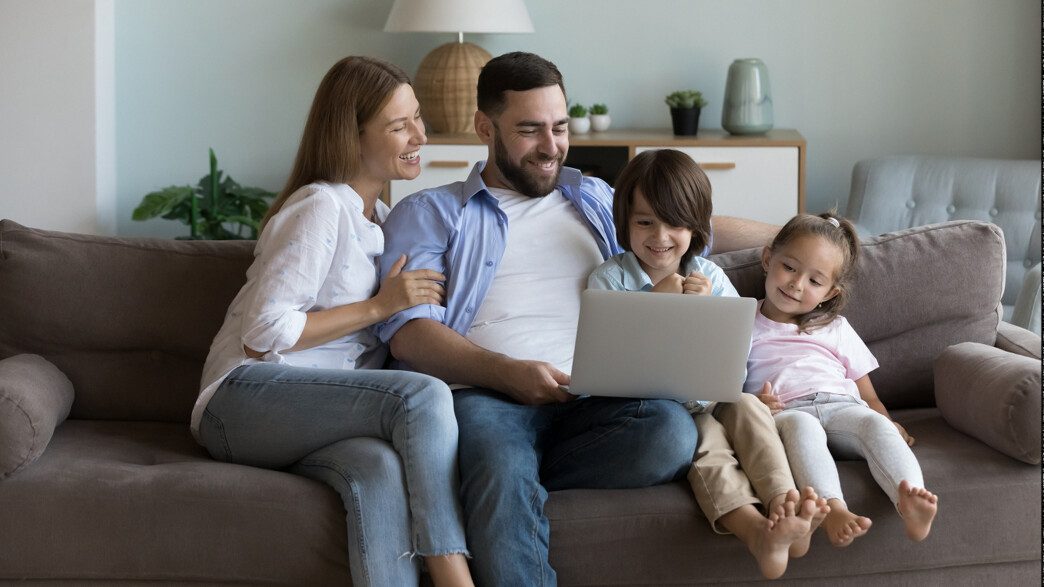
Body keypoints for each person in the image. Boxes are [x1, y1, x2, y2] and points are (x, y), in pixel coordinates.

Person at [190, 56, 474, 587]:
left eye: (419, 119)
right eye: (399, 125)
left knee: (379, 470)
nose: (420, 135)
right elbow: (262, 334)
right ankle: (455, 578)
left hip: (314, 413)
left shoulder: (385, 224)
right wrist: (377, 307)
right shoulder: (321, 206)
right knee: (423, 395)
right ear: (353, 135)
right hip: (242, 399)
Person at [587, 149, 828, 579]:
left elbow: (736, 350)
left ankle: (785, 507)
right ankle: (757, 532)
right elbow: (608, 366)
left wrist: (702, 312)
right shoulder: (610, 279)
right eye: (645, 222)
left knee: (752, 411)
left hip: (717, 395)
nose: (660, 236)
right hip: (669, 409)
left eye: (675, 223)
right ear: (625, 223)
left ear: (696, 227)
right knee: (709, 449)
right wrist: (654, 304)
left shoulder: (712, 279)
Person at [752, 212, 939, 547]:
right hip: (787, 413)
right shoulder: (742, 323)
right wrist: (755, 403)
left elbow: (868, 395)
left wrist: (886, 420)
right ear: (768, 258)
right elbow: (725, 389)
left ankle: (909, 499)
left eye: (814, 280)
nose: (796, 284)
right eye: (790, 267)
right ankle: (833, 508)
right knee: (802, 429)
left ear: (829, 292)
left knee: (876, 426)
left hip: (842, 406)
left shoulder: (835, 327)